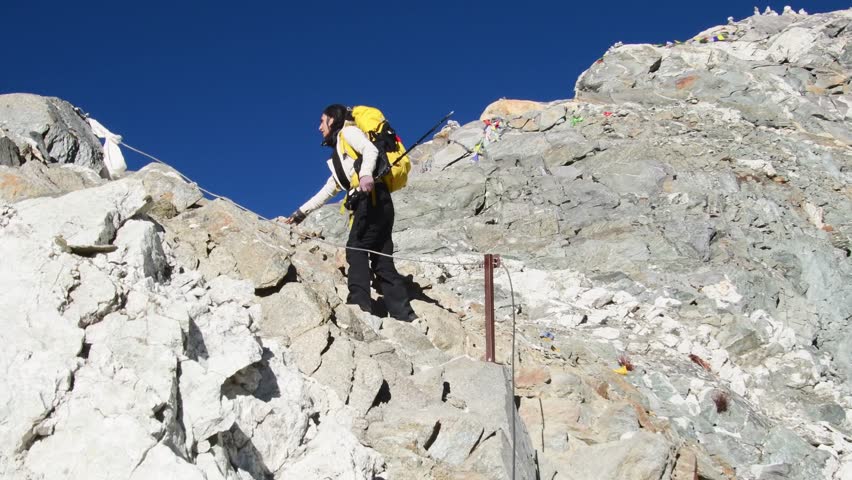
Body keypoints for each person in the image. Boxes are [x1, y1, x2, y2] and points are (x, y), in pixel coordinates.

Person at [283, 104, 417, 322]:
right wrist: (300, 214)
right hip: (379, 201)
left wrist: (365, 176)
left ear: (333, 119)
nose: (319, 127)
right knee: (382, 259)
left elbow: (371, 150)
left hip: (370, 198)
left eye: (322, 121)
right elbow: (329, 189)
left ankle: (359, 305)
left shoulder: (348, 132)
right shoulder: (341, 156)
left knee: (356, 250)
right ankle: (404, 314)